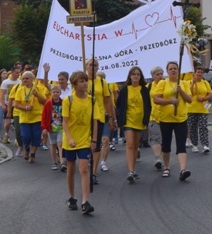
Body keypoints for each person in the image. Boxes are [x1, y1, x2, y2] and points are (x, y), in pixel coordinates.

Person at [63, 71, 98, 215]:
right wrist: (70, 138)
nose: (85, 84)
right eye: (81, 81)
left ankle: (85, 202)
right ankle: (72, 197)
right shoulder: (68, 100)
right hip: (70, 140)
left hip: (85, 140)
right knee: (71, 168)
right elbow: (64, 123)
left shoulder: (92, 100)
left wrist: (94, 139)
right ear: (75, 85)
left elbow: (95, 121)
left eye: (86, 81)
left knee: (84, 168)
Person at [154, 61, 193, 181]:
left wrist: (181, 91)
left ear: (178, 70)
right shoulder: (162, 83)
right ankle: (167, 167)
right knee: (166, 145)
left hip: (181, 119)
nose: (173, 70)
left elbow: (190, 99)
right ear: (167, 71)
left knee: (181, 145)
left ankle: (183, 169)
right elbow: (156, 99)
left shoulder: (184, 83)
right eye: (170, 69)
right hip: (166, 119)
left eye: (175, 68)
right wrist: (171, 101)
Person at [116, 66, 151, 183]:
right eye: (134, 74)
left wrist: (147, 118)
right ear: (130, 76)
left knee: (136, 145)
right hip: (128, 120)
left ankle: (133, 169)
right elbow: (119, 105)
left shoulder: (144, 90)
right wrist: (120, 119)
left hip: (140, 121)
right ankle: (130, 171)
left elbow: (148, 105)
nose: (136, 76)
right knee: (130, 144)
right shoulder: (125, 89)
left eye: (138, 74)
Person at [85, 58, 117, 186]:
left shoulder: (102, 82)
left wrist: (111, 117)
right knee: (86, 144)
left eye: (95, 65)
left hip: (98, 117)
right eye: (90, 65)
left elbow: (107, 100)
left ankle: (93, 173)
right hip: (84, 117)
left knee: (97, 144)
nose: (93, 67)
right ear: (86, 67)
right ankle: (87, 162)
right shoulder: (81, 79)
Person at [14, 71, 48, 163]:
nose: (25, 80)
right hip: (24, 118)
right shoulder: (20, 89)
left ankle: (32, 154)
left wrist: (37, 95)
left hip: (37, 117)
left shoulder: (38, 88)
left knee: (36, 136)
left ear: (32, 79)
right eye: (23, 78)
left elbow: (45, 102)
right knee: (25, 136)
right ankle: (27, 148)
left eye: (27, 78)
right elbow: (16, 104)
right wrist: (25, 107)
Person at [186, 64, 212, 154]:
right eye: (198, 72)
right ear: (194, 73)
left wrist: (204, 98)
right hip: (191, 109)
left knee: (203, 127)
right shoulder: (189, 82)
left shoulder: (205, 83)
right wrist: (193, 83)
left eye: (201, 72)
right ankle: (194, 144)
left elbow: (210, 94)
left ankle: (205, 145)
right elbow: (187, 92)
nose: (200, 74)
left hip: (203, 109)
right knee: (192, 127)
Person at [42, 85, 65, 170]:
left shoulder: (63, 102)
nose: (55, 94)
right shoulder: (48, 103)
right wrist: (44, 127)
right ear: (51, 93)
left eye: (57, 92)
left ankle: (62, 162)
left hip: (61, 127)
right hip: (51, 127)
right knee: (53, 144)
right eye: (54, 92)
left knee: (60, 144)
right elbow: (44, 116)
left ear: (60, 93)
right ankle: (54, 162)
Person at [147, 66, 165, 170]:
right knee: (155, 137)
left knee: (163, 139)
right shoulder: (149, 86)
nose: (159, 76)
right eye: (157, 74)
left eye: (161, 74)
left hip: (165, 116)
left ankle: (162, 158)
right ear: (153, 76)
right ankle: (157, 158)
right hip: (153, 116)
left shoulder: (166, 85)